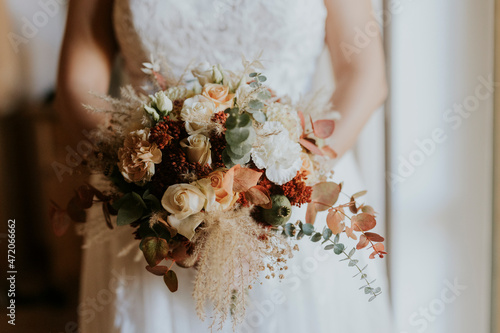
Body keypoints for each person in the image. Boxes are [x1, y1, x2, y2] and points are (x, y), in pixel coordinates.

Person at [55, 0, 392, 332]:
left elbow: (364, 74)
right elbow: (79, 75)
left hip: (294, 195)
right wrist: (143, 174)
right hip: (149, 205)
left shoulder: (293, 181)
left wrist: (290, 177)